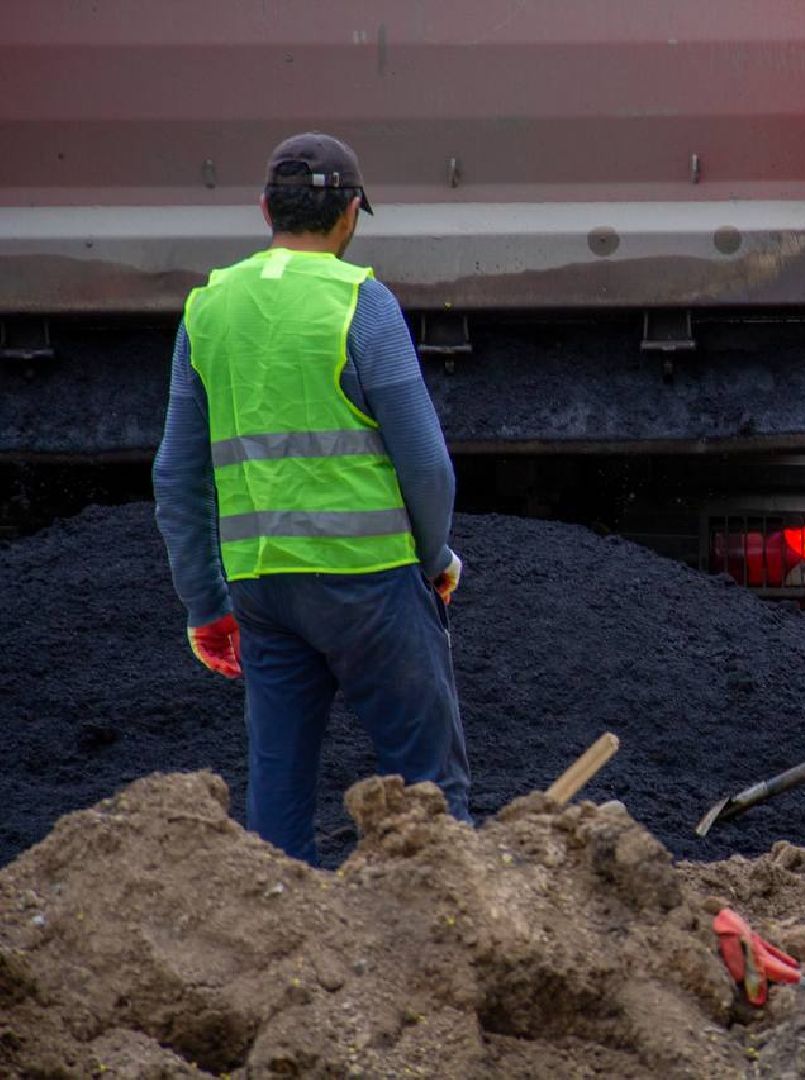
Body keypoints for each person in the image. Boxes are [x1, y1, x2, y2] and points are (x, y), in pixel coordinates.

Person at [153, 132, 472, 864]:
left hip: (264, 591)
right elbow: (425, 464)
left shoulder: (208, 307)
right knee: (432, 795)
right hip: (374, 585)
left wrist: (206, 605)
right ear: (351, 214)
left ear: (265, 208)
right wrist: (434, 559)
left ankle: (283, 949)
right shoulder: (361, 303)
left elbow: (177, 474)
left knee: (277, 805)